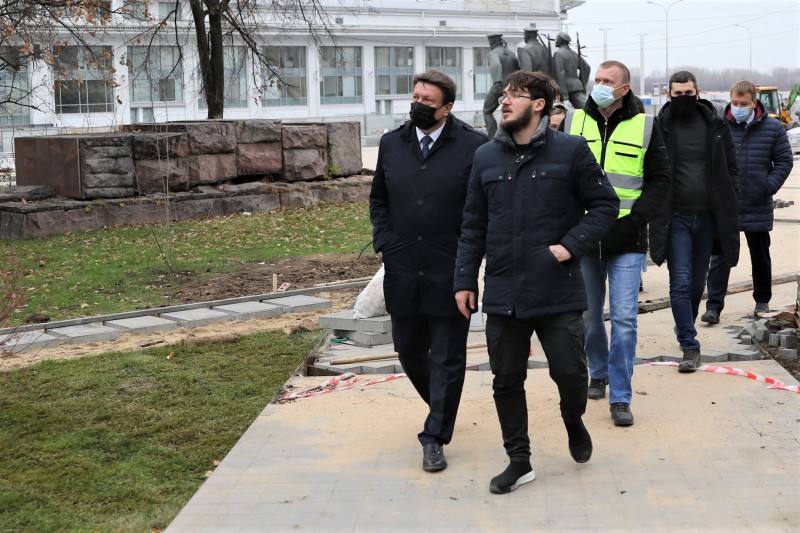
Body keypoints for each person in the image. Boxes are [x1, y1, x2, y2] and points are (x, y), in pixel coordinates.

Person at [454, 70, 619, 494]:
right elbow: (472, 224)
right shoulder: (485, 157)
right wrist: (464, 279)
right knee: (506, 380)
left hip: (556, 289)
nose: (504, 101)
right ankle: (519, 460)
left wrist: (569, 246)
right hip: (504, 291)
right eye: (504, 95)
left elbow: (606, 204)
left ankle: (573, 419)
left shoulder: (570, 151)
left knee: (571, 375)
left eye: (515, 95)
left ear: (539, 104)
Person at [370, 71, 486, 473]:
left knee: (448, 358)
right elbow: (379, 199)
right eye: (416, 97)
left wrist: (469, 265)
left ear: (447, 108)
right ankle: (441, 406)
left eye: (428, 100)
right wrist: (384, 240)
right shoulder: (391, 143)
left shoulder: (474, 146)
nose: (418, 104)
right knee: (408, 349)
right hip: (402, 265)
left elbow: (479, 211)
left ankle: (435, 436)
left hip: (451, 267)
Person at [564, 60, 671, 426]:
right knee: (589, 318)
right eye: (597, 79)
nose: (599, 85)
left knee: (624, 320)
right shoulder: (574, 121)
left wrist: (637, 221)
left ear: (624, 89)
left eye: (607, 81)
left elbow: (660, 180)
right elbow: (559, 178)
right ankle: (598, 372)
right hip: (584, 239)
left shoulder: (646, 126)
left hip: (626, 239)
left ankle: (621, 396)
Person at [657, 71, 740, 372]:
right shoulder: (660, 127)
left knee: (696, 283)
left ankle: (684, 325)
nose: (683, 98)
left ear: (698, 92)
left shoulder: (716, 125)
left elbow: (731, 167)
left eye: (688, 93)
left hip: (707, 218)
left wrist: (733, 199)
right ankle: (690, 345)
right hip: (676, 217)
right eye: (677, 94)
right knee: (679, 281)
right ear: (669, 95)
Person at [701, 80, 793, 324]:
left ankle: (762, 300)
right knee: (720, 256)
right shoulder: (719, 126)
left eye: (743, 104)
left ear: (754, 103)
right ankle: (713, 306)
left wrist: (767, 186)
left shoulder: (773, 128)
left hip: (757, 201)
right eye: (735, 103)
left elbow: (784, 161)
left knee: (760, 254)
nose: (738, 107)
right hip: (726, 203)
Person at [483, 33, 520, 140]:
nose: (490, 44)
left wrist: (497, 82)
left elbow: (496, 65)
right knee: (512, 111)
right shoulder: (511, 54)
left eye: (490, 42)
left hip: (499, 86)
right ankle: (514, 135)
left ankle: (492, 138)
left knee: (487, 111)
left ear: (493, 41)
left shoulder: (493, 53)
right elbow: (518, 71)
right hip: (512, 87)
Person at [552, 32, 590, 110]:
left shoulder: (558, 54)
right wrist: (582, 83)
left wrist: (562, 91)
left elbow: (560, 73)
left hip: (564, 89)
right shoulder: (574, 54)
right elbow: (587, 68)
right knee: (587, 108)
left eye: (557, 39)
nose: (555, 41)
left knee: (556, 110)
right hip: (577, 86)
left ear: (561, 40)